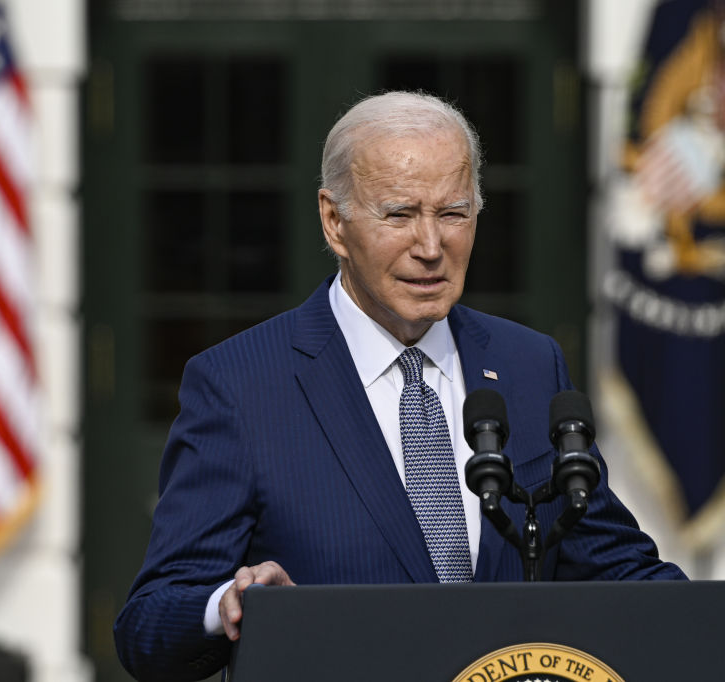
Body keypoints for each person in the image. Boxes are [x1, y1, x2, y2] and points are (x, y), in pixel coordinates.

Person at [113, 91, 686, 682]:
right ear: (335, 222)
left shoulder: (528, 364)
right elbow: (148, 624)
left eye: (453, 214)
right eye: (400, 214)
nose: (431, 247)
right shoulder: (240, 386)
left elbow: (618, 568)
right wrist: (228, 605)